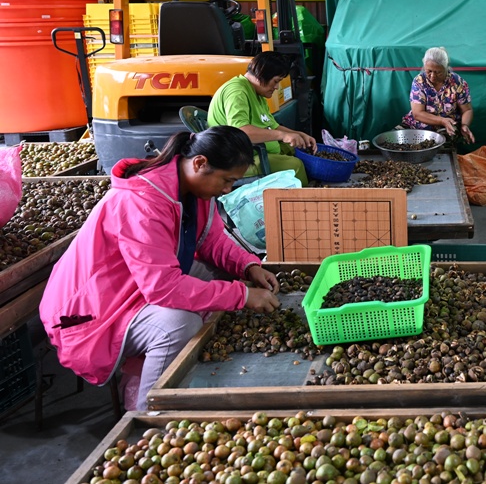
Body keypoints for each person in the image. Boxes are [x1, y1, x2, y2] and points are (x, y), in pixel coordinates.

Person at [39, 127, 282, 411]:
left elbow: (212, 240)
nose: (228, 190)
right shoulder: (142, 202)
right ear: (200, 163)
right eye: (226, 180)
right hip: (87, 311)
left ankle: (172, 371)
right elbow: (163, 287)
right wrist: (241, 296)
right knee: (178, 326)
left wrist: (248, 266)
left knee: (221, 276)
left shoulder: (193, 190)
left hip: (131, 288)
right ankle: (148, 415)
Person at [207, 51, 316, 185]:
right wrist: (282, 136)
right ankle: (303, 204)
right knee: (296, 166)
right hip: (237, 159)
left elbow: (272, 125)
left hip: (256, 151)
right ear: (261, 74)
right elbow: (241, 132)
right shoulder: (237, 92)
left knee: (301, 149)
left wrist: (299, 134)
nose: (276, 87)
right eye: (276, 81)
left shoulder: (257, 92)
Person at [400, 47, 475, 143]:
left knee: (441, 145)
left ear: (446, 68)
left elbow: (467, 110)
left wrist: (465, 125)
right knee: (394, 141)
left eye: (438, 72)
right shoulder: (419, 81)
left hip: (447, 128)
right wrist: (441, 120)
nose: (432, 76)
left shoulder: (458, 83)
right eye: (429, 71)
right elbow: (417, 113)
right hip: (418, 126)